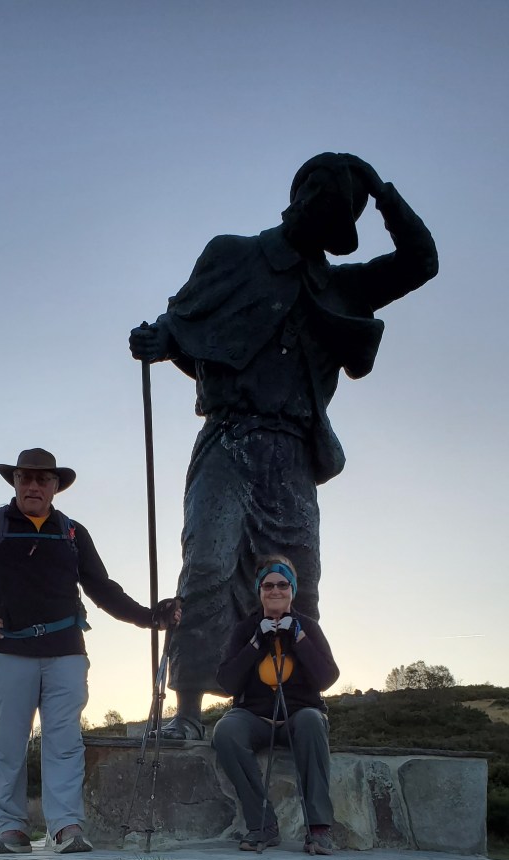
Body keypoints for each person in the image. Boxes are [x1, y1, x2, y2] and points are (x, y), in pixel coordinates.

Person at [130, 152, 438, 738]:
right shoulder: (233, 254)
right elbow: (186, 317)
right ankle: (187, 713)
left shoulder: (342, 289)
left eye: (335, 202)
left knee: (297, 583)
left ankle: (293, 707)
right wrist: (158, 338)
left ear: (341, 223)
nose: (318, 204)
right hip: (229, 439)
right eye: (314, 190)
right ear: (296, 196)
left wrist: (379, 191)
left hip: (293, 451)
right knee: (208, 566)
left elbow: (422, 261)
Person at [0, 447, 179, 855]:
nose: (33, 486)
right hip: (7, 653)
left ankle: (65, 828)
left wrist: (151, 617)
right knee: (9, 744)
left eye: (42, 479)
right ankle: (11, 830)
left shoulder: (72, 533)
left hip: (66, 653)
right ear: (15, 482)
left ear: (55, 486)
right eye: (24, 478)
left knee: (64, 742)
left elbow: (103, 589)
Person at [212, 557, 339, 854]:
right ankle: (262, 825)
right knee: (225, 731)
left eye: (283, 585)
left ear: (292, 590)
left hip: (299, 715)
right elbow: (227, 682)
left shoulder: (308, 627)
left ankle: (318, 829)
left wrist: (300, 639)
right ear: (259, 591)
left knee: (312, 721)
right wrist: (256, 643)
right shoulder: (245, 629)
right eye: (268, 586)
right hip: (255, 716)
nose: (275, 591)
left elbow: (327, 677)